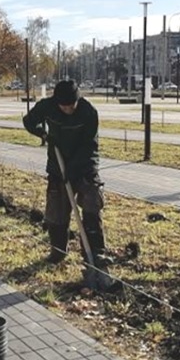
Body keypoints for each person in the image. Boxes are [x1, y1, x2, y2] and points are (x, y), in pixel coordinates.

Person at [23, 79, 113, 278]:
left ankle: (96, 254)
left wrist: (73, 170)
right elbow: (29, 122)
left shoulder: (88, 112)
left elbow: (89, 146)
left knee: (92, 203)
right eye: (63, 106)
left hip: (84, 165)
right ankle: (58, 251)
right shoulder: (47, 106)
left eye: (71, 106)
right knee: (56, 210)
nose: (67, 110)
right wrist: (44, 135)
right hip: (58, 165)